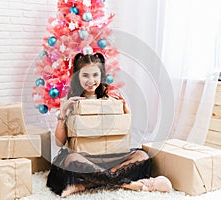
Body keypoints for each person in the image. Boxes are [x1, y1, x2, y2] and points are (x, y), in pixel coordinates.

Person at [46, 53, 172, 197]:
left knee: (141, 155)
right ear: (77, 77)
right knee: (71, 160)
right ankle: (130, 184)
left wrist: (125, 109)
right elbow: (59, 142)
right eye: (85, 75)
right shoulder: (70, 102)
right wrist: (63, 112)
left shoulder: (110, 100)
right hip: (85, 157)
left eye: (95, 75)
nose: (91, 80)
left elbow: (122, 133)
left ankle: (85, 183)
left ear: (101, 76)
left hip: (110, 157)